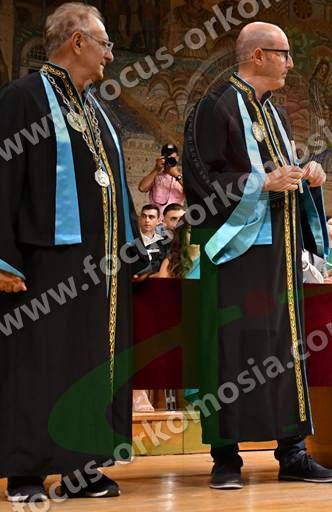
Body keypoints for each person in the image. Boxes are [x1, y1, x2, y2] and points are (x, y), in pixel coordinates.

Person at [182, 21, 332, 490]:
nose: (291, 63)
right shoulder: (213, 106)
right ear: (258, 56)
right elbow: (200, 180)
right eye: (284, 53)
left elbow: (280, 173)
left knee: (284, 348)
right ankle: (225, 458)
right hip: (234, 253)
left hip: (279, 252)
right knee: (229, 348)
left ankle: (292, 452)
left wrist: (307, 175)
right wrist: (261, 183)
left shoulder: (275, 114)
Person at [0, 2, 133, 501]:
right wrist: (2, 257)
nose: (110, 55)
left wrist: (131, 251)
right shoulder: (23, 98)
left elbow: (113, 185)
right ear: (77, 42)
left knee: (87, 365)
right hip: (43, 265)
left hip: (99, 269)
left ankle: (82, 466)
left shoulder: (96, 109)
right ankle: (25, 471)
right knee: (38, 366)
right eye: (104, 44)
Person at [138, 143, 185, 212]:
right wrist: (156, 169)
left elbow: (191, 192)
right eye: (167, 158)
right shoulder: (156, 176)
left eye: (172, 158)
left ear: (177, 158)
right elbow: (142, 188)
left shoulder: (182, 178)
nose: (170, 160)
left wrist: (176, 175)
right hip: (157, 217)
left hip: (176, 217)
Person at [135, 204, 168, 275]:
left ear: (158, 221)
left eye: (151, 217)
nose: (147, 220)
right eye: (144, 216)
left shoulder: (164, 242)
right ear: (139, 219)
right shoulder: (133, 240)